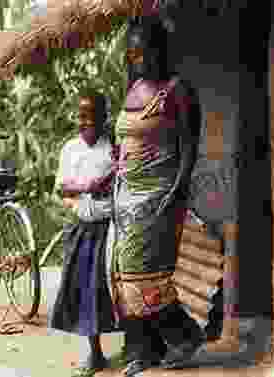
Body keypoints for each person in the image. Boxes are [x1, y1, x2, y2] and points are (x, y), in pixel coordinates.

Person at [109, 17, 205, 377]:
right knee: (124, 275)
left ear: (160, 49)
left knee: (143, 274)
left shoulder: (177, 89)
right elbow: (125, 138)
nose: (139, 57)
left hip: (159, 196)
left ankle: (185, 335)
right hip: (126, 196)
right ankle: (145, 350)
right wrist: (118, 163)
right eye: (133, 51)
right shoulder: (134, 87)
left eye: (145, 49)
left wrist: (177, 192)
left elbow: (189, 145)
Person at [49, 89, 119, 377]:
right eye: (81, 115)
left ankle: (139, 346)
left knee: (113, 290)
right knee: (86, 291)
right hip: (82, 228)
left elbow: (122, 176)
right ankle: (96, 352)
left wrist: (112, 175)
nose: (85, 121)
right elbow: (61, 187)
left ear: (104, 118)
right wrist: (87, 187)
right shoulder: (70, 149)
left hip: (110, 228)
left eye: (92, 116)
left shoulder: (113, 147)